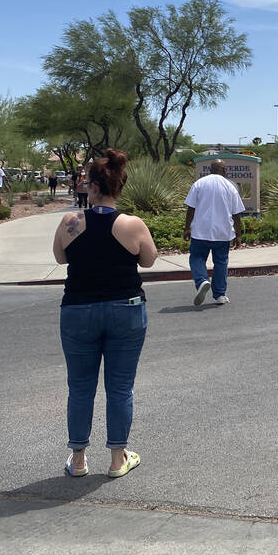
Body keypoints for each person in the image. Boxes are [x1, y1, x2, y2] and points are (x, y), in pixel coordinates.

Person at [52, 148, 157, 479]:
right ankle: (117, 459)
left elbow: (59, 258)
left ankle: (79, 459)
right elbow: (149, 260)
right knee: (120, 387)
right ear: (118, 187)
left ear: (92, 186)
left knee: (80, 387)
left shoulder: (71, 222)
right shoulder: (132, 224)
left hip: (78, 310)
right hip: (126, 309)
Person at [183, 160, 245, 305]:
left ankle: (202, 281)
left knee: (197, 258)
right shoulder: (230, 187)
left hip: (200, 232)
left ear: (210, 170)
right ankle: (220, 295)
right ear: (224, 171)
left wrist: (187, 228)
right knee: (221, 262)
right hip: (222, 233)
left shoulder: (199, 184)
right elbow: (236, 214)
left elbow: (191, 208)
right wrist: (239, 234)